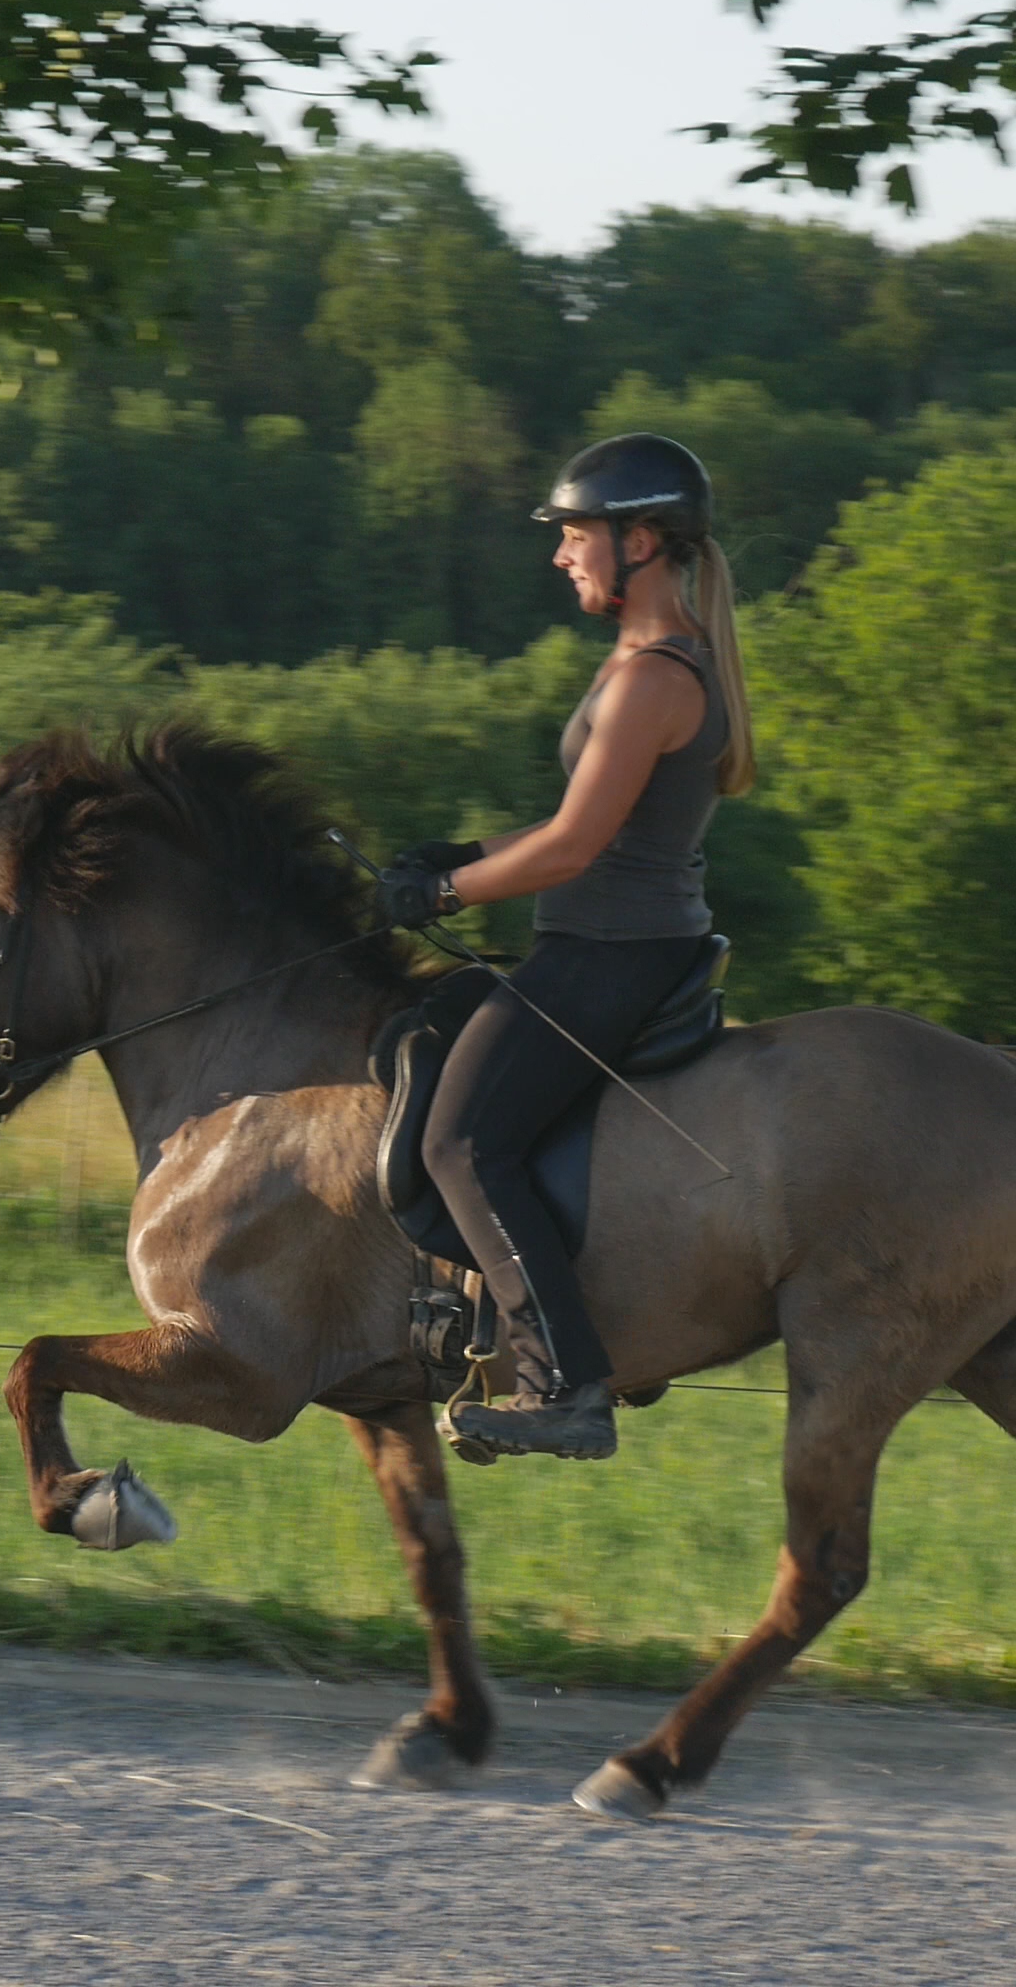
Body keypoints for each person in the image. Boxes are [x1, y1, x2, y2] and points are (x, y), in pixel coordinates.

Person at [367, 433, 757, 1461]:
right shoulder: (645, 664)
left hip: (610, 953)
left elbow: (576, 848)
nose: (559, 554)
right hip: (612, 940)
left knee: (461, 1144)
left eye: (575, 534)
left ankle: (566, 1384)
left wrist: (443, 892)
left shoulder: (655, 678)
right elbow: (574, 824)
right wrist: (458, 855)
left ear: (641, 542)